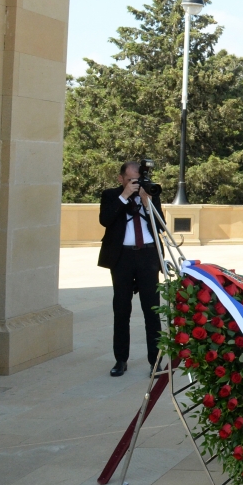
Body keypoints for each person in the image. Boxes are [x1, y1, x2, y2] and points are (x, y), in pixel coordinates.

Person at [98, 161, 165, 377]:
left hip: (147, 256)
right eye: (130, 180)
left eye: (138, 180)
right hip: (122, 257)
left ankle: (155, 361)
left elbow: (161, 225)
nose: (135, 184)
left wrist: (148, 203)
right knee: (121, 309)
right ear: (121, 179)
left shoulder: (151, 194)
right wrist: (124, 196)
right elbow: (105, 220)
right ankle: (120, 359)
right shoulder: (110, 195)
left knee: (152, 310)